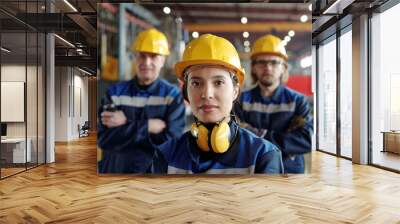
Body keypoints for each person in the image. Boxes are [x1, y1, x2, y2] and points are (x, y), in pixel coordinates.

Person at [149, 34, 283, 174]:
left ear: (235, 91)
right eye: (196, 83)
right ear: (186, 92)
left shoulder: (262, 156)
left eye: (218, 82)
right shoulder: (166, 154)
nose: (207, 94)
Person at [97, 28, 186, 173]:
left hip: (153, 177)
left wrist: (126, 125)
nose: (147, 62)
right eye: (142, 56)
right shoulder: (115, 93)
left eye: (153, 56)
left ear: (163, 60)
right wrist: (149, 126)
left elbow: (170, 144)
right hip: (114, 173)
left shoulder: (172, 96)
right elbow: (104, 139)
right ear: (135, 57)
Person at [234, 34, 313, 174]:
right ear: (253, 68)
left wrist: (258, 136)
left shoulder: (297, 101)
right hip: (254, 170)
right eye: (261, 62)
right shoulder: (241, 100)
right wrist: (284, 141)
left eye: (274, 62)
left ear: (283, 67)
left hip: (290, 173)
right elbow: (235, 139)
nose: (268, 67)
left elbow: (306, 140)